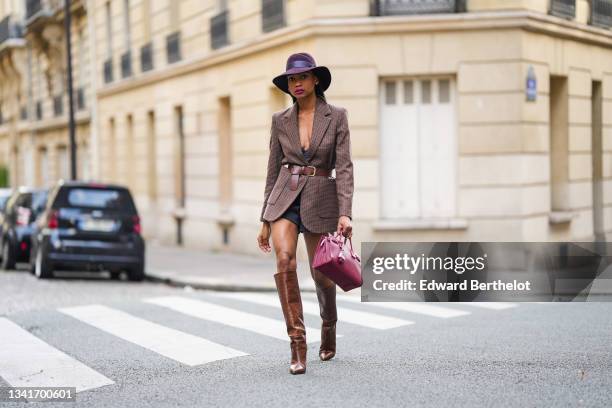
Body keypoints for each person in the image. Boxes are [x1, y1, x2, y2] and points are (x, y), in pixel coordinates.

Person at [256, 52, 354, 375]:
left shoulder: (336, 116)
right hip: (285, 196)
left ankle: (329, 322)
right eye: (291, 79)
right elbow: (272, 169)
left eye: (302, 77)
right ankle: (297, 343)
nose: (296, 83)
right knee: (284, 260)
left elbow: (345, 168)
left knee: (321, 274)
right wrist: (264, 219)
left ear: (315, 80)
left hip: (320, 198)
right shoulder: (280, 120)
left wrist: (345, 213)